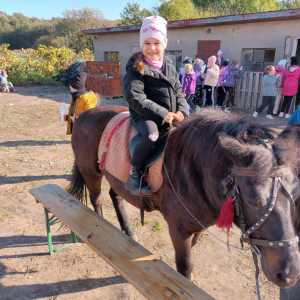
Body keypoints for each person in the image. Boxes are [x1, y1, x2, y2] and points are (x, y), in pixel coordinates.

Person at [123, 16, 189, 196]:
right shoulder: (136, 68)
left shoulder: (169, 67)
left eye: (156, 43)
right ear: (142, 45)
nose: (152, 48)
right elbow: (135, 97)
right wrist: (161, 113)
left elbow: (178, 91)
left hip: (170, 114)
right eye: (147, 43)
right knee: (152, 135)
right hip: (144, 114)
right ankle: (135, 173)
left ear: (164, 44)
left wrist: (182, 110)